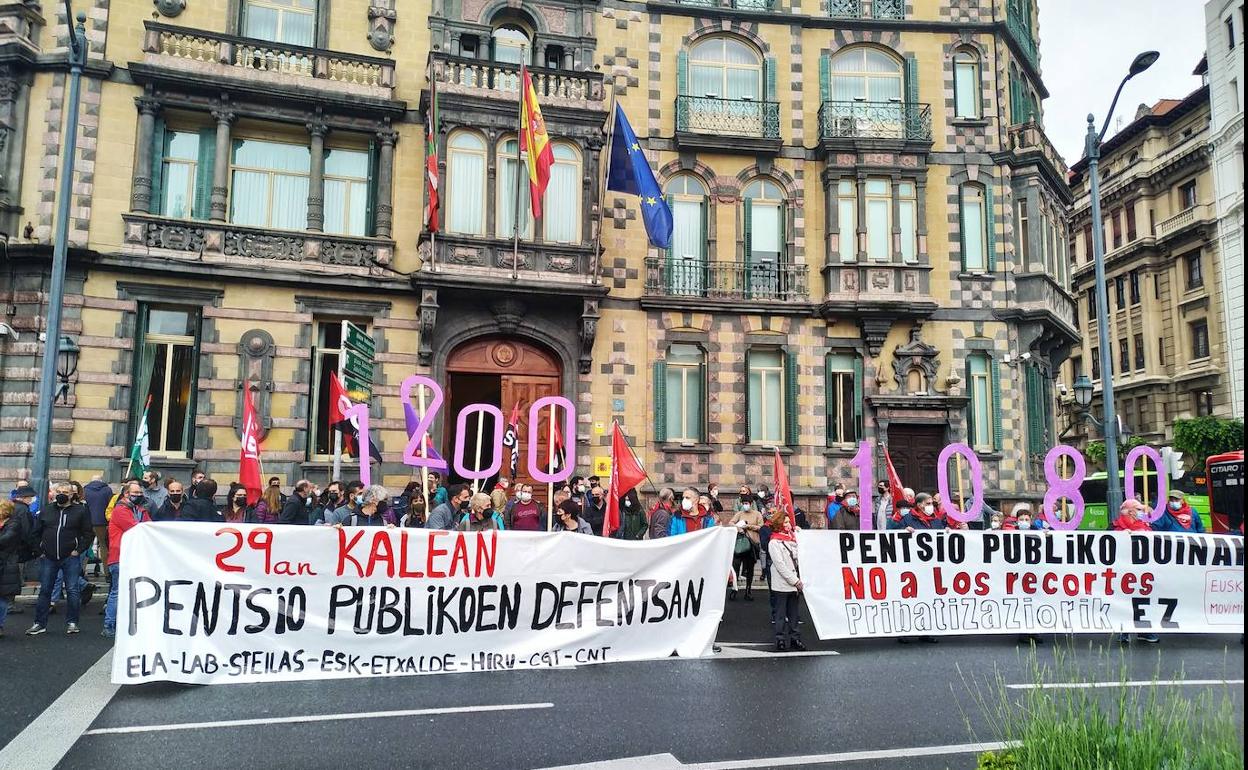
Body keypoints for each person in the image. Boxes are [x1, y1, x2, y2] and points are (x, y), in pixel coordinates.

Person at [27, 482, 92, 636]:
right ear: (55, 493)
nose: (62, 494)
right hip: (48, 556)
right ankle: (39, 623)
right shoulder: (46, 510)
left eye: (65, 492)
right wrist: (39, 550)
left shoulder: (80, 511)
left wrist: (78, 550)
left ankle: (72, 622)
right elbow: (35, 532)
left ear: (72, 495)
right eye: (59, 491)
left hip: (70, 556)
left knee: (72, 590)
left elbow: (88, 533)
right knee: (45, 591)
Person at [102, 480, 150, 638]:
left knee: (128, 592)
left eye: (139, 493)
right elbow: (137, 528)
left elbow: (150, 526)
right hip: (120, 556)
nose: (138, 495)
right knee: (117, 592)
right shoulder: (120, 510)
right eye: (134, 493)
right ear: (126, 494)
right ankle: (109, 625)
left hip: (134, 556)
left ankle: (123, 624)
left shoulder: (140, 510)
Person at [1112, 499, 1160, 644]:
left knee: (1142, 599)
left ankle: (1144, 631)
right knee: (1123, 600)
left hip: (1143, 570)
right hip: (1123, 570)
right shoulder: (1114, 527)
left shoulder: (1147, 527)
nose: (1141, 512)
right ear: (1131, 511)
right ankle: (1123, 631)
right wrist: (1120, 537)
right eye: (1139, 509)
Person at [766, 510, 805, 652]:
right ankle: (780, 639)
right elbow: (780, 565)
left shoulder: (792, 538)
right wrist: (795, 581)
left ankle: (795, 638)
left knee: (794, 614)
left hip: (793, 583)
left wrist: (800, 534)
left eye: (789, 522)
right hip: (783, 583)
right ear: (779, 524)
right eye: (786, 522)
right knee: (781, 614)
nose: (789, 525)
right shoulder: (774, 542)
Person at [730, 497, 763, 600]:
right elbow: (731, 523)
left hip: (752, 544)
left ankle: (748, 590)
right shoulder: (739, 514)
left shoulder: (757, 514)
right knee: (735, 567)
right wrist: (738, 527)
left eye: (747, 503)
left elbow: (761, 527)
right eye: (744, 503)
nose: (745, 505)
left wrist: (748, 526)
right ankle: (734, 589)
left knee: (750, 569)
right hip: (740, 544)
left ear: (751, 503)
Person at [83, 476, 112, 581]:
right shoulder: (107, 490)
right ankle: (107, 572)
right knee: (104, 547)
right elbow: (110, 505)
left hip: (88, 521)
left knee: (86, 546)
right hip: (102, 521)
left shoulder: (85, 490)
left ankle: (82, 571)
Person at [0, 500, 23, 638]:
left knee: (2, 596)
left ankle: (0, 625)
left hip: (6, 564)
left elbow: (6, 539)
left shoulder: (14, 524)